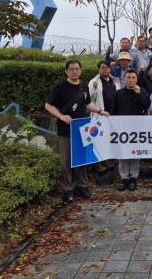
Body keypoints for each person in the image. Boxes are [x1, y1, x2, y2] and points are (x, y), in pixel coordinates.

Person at [45, 60, 109, 202]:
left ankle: (82, 185)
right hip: (66, 129)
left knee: (81, 158)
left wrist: (100, 111)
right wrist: (61, 116)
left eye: (77, 69)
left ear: (80, 70)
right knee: (66, 161)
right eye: (71, 69)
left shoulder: (84, 86)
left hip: (83, 128)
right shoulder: (60, 88)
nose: (75, 71)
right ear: (66, 71)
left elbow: (87, 103)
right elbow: (48, 105)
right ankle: (68, 189)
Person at [112, 70, 151, 191]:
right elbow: (113, 111)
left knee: (135, 153)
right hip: (122, 130)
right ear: (125, 79)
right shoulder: (118, 94)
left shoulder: (142, 91)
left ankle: (133, 178)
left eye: (133, 77)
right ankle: (124, 178)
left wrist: (139, 94)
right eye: (128, 77)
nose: (131, 80)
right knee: (123, 154)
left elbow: (147, 105)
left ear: (136, 79)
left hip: (137, 130)